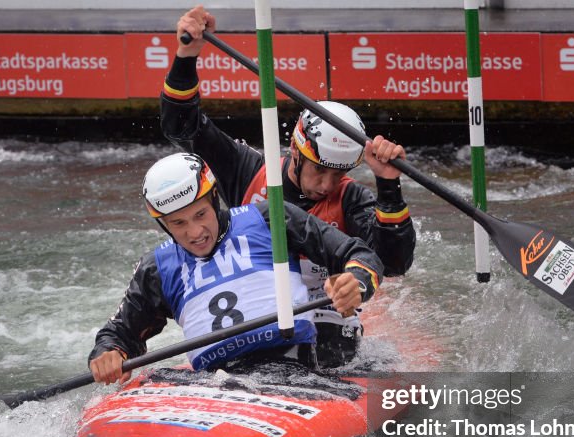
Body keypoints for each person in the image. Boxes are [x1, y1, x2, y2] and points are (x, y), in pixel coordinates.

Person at [160, 5, 416, 367]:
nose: (326, 184)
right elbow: (180, 127)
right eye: (319, 171)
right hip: (252, 310)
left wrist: (388, 185)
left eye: (337, 174)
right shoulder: (248, 170)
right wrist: (186, 56)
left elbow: (393, 264)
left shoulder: (351, 198)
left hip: (324, 320)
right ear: (296, 151)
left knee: (325, 343)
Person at [89, 152, 383, 385]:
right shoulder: (157, 267)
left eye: (200, 214)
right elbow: (119, 332)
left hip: (295, 369)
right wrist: (109, 352)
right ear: (162, 224)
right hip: (214, 383)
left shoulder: (271, 218)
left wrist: (355, 282)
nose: (194, 232)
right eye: (178, 223)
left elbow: (358, 253)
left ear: (214, 198)